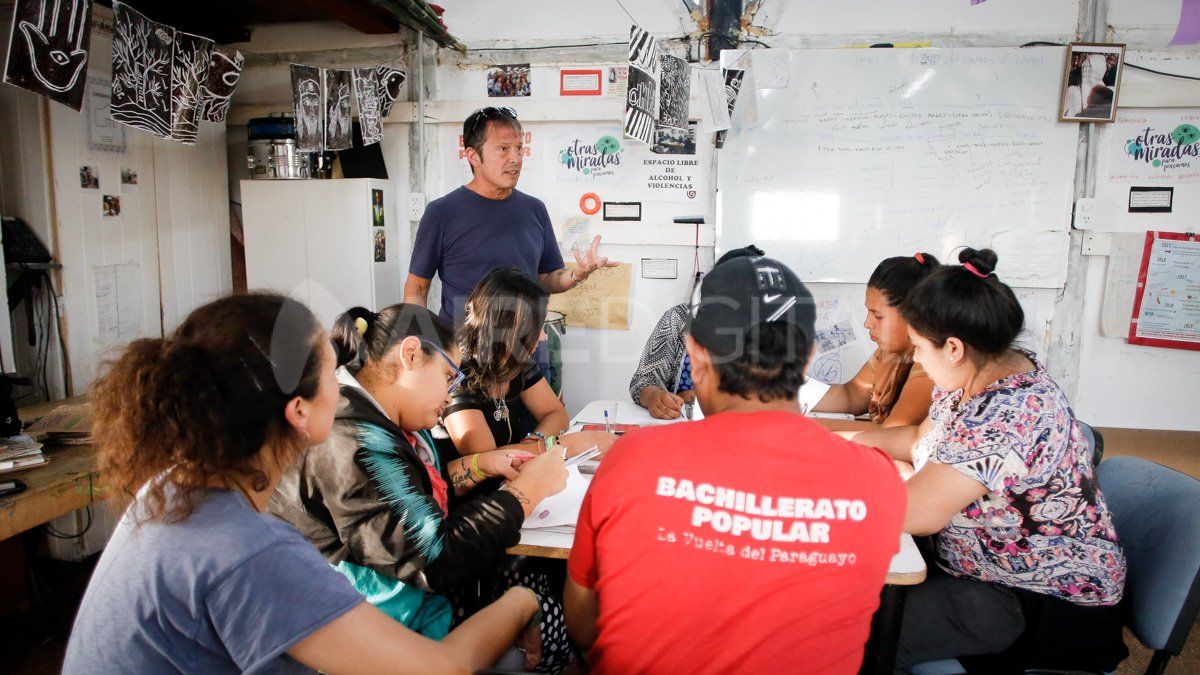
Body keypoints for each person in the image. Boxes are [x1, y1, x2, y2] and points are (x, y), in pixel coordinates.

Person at [64, 293, 540, 674]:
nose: (344, 378)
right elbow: (444, 667)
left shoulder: (171, 486)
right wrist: (524, 601)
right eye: (330, 369)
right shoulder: (250, 550)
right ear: (299, 411)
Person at [564, 256, 907, 673]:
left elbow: (583, 628)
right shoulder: (878, 481)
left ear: (696, 355)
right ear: (808, 357)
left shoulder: (630, 459)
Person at [857, 249, 1127, 672]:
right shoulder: (973, 378)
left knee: (851, 632)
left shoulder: (1010, 409)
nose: (918, 361)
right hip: (976, 574)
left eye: (918, 348)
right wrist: (841, 445)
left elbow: (916, 512)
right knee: (843, 595)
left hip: (1036, 600)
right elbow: (917, 440)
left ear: (952, 348)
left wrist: (810, 499)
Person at [268, 302, 572, 671]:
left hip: (388, 591)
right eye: (448, 377)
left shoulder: (378, 418)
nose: (449, 396)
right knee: (554, 616)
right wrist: (528, 490)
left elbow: (418, 496)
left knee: (536, 584)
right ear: (410, 354)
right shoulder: (355, 437)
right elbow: (434, 560)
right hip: (364, 619)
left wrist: (481, 464)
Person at [404, 107, 618, 323]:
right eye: (503, 149)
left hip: (527, 347)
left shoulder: (534, 209)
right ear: (473, 156)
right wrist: (418, 343)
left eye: (518, 148)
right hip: (466, 350)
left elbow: (545, 279)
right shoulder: (442, 212)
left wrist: (576, 275)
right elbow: (417, 288)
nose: (515, 158)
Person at [442, 267, 615, 456]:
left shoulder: (517, 361)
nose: (543, 337)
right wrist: (553, 445)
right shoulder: (457, 377)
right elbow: (486, 461)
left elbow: (557, 415)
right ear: (509, 327)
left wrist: (533, 442)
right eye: (536, 327)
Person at [628, 244, 764, 420]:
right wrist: (654, 397)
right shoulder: (679, 319)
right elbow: (642, 381)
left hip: (741, 428)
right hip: (679, 424)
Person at [810, 253, 940, 427]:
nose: (867, 324)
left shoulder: (933, 366)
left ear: (914, 317)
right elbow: (852, 393)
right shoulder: (888, 354)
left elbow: (894, 431)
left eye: (878, 316)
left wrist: (810, 428)